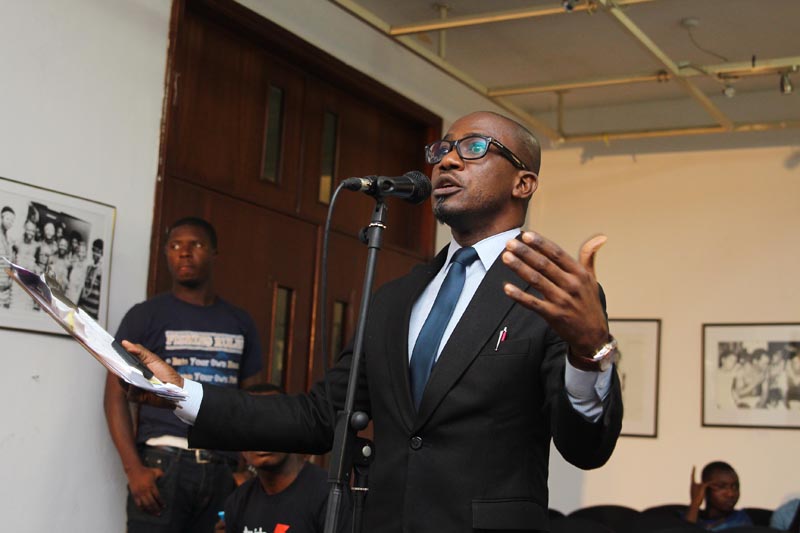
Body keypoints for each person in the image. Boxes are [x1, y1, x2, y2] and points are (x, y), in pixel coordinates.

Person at [126, 111, 623, 533]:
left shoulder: (553, 293)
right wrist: (186, 393)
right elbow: (320, 416)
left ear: (523, 182)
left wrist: (590, 353)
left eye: (474, 148)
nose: (447, 161)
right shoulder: (396, 297)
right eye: (442, 149)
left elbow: (586, 448)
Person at [104, 217, 264, 533]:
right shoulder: (145, 316)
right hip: (163, 465)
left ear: (214, 253)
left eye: (196, 244)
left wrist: (248, 468)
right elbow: (114, 397)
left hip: (222, 469)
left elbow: (253, 403)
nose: (185, 253)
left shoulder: (240, 321)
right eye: (175, 245)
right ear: (166, 253)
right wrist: (134, 469)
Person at [219, 384, 347, 533]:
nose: (261, 435)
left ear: (291, 427)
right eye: (250, 425)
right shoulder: (238, 501)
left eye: (271, 424)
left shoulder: (331, 496)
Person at [685, 462, 753, 530]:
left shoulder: (744, 518)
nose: (731, 494)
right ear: (704, 489)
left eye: (735, 487)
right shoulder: (686, 518)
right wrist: (695, 503)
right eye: (721, 487)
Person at [77, 238, 103, 318]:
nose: (95, 253)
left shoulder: (102, 271)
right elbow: (84, 288)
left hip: (93, 311)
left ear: (102, 253)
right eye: (93, 250)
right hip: (83, 307)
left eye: (98, 251)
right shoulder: (89, 268)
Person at [0, 206, 16, 308]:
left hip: (5, 288)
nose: (10, 222)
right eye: (8, 219)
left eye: (12, 220)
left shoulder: (10, 240)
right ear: (1, 217)